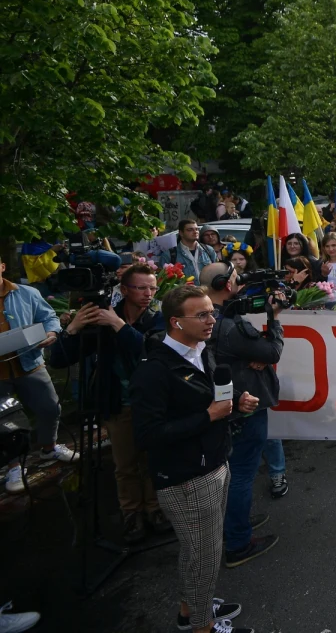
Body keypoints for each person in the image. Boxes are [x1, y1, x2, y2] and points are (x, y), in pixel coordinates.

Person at [130, 285, 258, 633]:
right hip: (186, 478)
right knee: (205, 557)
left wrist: (236, 401)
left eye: (211, 312)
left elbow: (212, 395)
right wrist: (209, 416)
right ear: (176, 322)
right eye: (201, 315)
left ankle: (190, 610)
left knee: (197, 551)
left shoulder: (201, 350)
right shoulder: (154, 371)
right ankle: (203, 626)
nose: (211, 319)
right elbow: (147, 435)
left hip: (214, 462)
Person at [48, 264, 166, 541]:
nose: (148, 294)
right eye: (141, 288)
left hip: (152, 403)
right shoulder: (100, 321)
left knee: (153, 461)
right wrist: (73, 329)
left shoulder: (156, 319)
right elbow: (59, 359)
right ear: (124, 289)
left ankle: (155, 509)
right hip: (118, 403)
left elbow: (152, 352)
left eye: (152, 288)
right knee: (125, 464)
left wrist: (118, 325)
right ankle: (132, 514)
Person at [198, 263, 284, 569]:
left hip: (226, 401)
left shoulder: (207, 318)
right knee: (241, 474)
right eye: (237, 278)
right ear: (225, 284)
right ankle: (238, 541)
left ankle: (235, 523)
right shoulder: (227, 325)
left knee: (232, 471)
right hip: (244, 404)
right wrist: (274, 319)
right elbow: (272, 351)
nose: (242, 281)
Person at [0, 259, 72, 494]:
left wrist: (51, 332)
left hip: (30, 364)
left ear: (2, 266)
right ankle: (13, 467)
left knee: (50, 408)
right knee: (6, 423)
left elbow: (49, 316)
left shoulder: (26, 293)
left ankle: (49, 448)